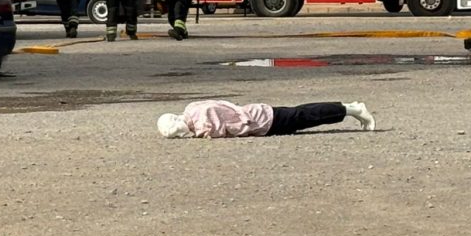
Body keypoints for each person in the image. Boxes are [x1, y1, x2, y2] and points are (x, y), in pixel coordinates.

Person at [156, 99, 375, 138]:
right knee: (304, 114)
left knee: (306, 116)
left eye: (177, 133)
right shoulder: (192, 108)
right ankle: (349, 109)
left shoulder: (203, 124)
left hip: (264, 122)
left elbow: (234, 128)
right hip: (260, 111)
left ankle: (351, 109)